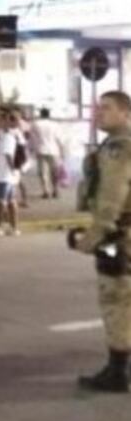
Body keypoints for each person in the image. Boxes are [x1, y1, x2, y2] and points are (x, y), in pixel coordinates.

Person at [72, 90, 131, 392]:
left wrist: (90, 239)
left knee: (115, 300)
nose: (98, 112)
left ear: (125, 113)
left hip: (118, 237)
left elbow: (111, 202)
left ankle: (117, 371)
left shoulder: (118, 149)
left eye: (106, 108)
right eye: (98, 107)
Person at [0, 110, 22, 237]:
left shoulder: (7, 137)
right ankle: (13, 228)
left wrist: (12, 168)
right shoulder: (6, 135)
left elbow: (8, 155)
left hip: (3, 174)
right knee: (11, 201)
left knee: (1, 202)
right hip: (8, 174)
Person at [32, 107, 66, 200]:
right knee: (54, 172)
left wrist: (33, 150)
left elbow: (33, 139)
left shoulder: (35, 124)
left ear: (40, 114)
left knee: (43, 172)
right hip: (54, 150)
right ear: (49, 115)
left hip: (41, 149)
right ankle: (55, 190)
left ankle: (45, 191)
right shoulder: (55, 125)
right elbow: (59, 139)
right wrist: (62, 151)